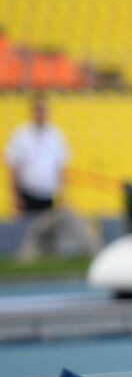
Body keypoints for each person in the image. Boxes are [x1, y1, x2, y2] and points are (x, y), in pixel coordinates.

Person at [5, 94, 96, 261]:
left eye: (43, 110)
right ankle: (25, 261)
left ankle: (45, 259)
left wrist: (63, 195)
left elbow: (60, 169)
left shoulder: (55, 136)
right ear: (32, 112)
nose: (40, 114)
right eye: (37, 110)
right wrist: (15, 195)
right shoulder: (21, 135)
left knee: (47, 233)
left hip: (48, 194)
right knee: (29, 233)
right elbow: (13, 168)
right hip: (28, 193)